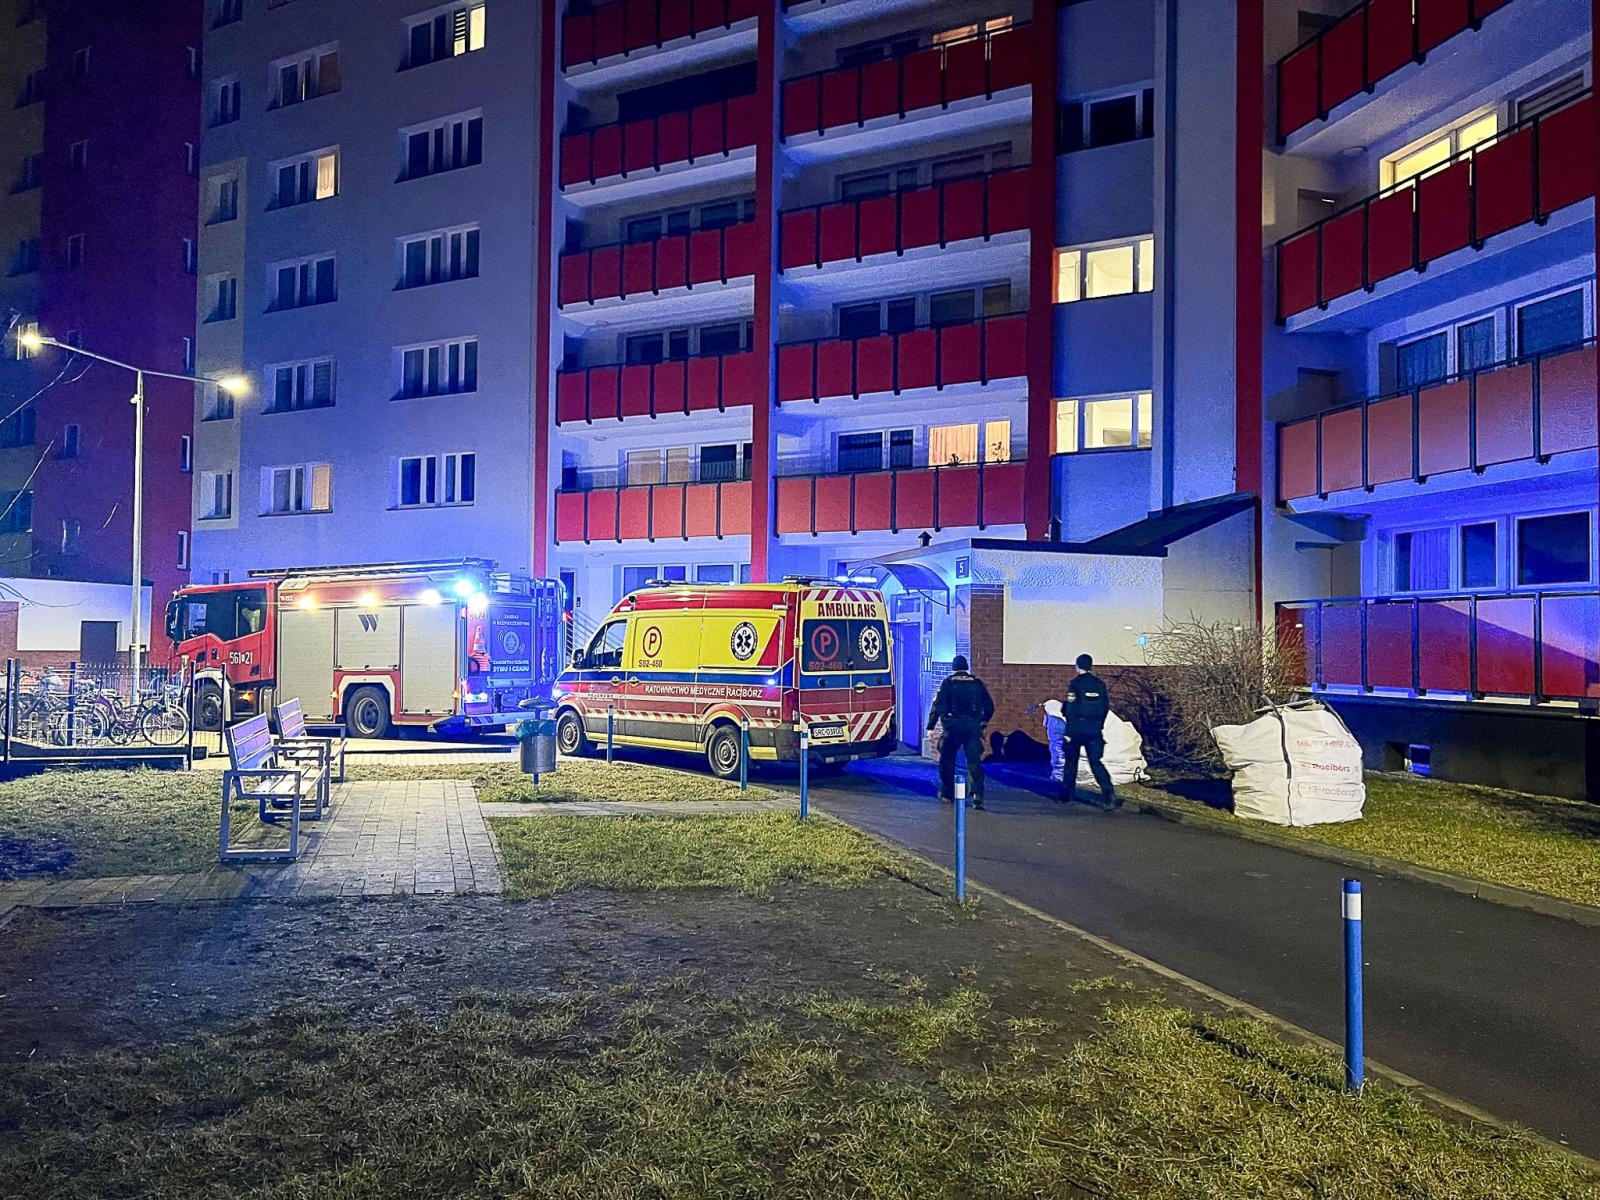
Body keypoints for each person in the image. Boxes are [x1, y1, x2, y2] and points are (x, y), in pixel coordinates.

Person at [927, 654, 995, 809]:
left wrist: (931, 727)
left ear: (954, 668)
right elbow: (990, 707)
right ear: (966, 667)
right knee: (974, 761)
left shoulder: (948, 683)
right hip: (972, 727)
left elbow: (938, 706)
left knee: (947, 759)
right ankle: (977, 795)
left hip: (953, 727)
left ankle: (947, 793)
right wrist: (982, 723)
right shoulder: (977, 684)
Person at [1059, 653, 1119, 809]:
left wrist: (1068, 734)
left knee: (1071, 762)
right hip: (1094, 730)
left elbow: (1072, 710)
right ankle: (1109, 795)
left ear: (1077, 666)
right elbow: (1105, 707)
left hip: (1077, 729)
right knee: (1096, 763)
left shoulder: (1075, 684)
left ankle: (1067, 795)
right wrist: (1099, 725)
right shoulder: (1099, 684)